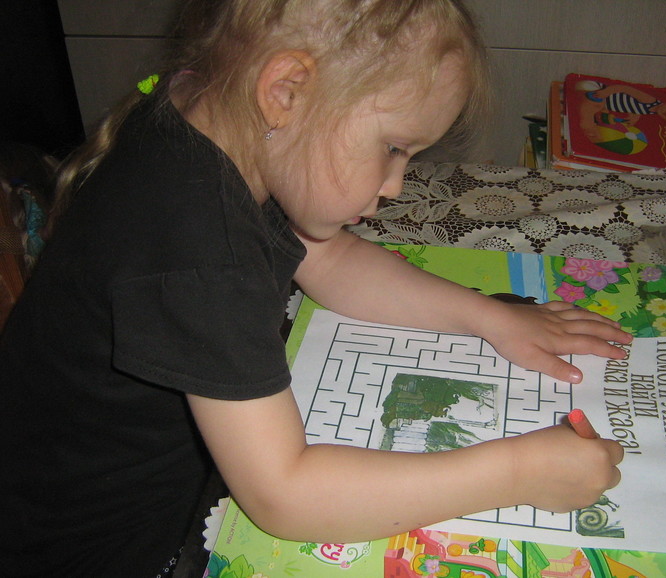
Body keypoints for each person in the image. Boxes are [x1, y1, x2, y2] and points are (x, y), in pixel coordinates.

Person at [0, 0, 632, 575]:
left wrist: (488, 317)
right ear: (286, 91)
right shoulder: (198, 250)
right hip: (106, 548)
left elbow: (331, 262)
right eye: (393, 148)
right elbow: (285, 495)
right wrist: (517, 472)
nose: (395, 187)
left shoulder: (218, 122)